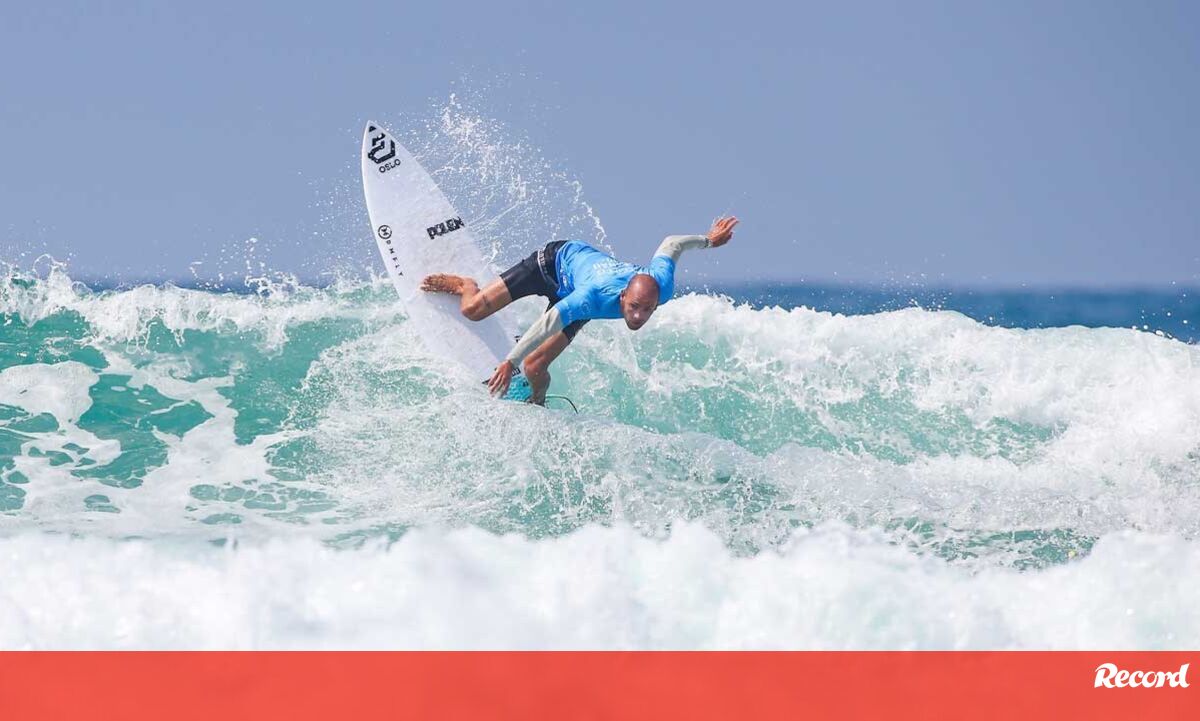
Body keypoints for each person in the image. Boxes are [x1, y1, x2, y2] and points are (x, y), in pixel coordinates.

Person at [420, 216, 739, 404]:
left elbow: (672, 244)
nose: (638, 316)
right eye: (633, 307)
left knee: (535, 367)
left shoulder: (661, 285)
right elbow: (549, 323)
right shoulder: (591, 298)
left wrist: (709, 242)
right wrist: (509, 362)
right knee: (473, 310)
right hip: (551, 264)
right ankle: (465, 284)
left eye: (647, 310)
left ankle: (537, 403)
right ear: (623, 296)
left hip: (580, 284)